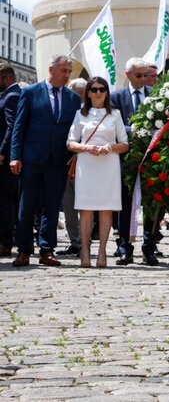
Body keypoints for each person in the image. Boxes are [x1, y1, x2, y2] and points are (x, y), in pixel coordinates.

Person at [10, 54, 82, 267]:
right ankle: (23, 250)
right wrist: (15, 156)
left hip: (58, 160)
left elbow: (75, 130)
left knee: (51, 207)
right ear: (51, 70)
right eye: (64, 71)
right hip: (31, 159)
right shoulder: (30, 93)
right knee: (26, 206)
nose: (67, 75)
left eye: (69, 71)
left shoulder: (72, 98)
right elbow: (19, 126)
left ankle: (46, 250)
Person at [66, 76, 129, 267]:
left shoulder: (115, 115)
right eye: (94, 89)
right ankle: (85, 251)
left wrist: (110, 148)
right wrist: (87, 148)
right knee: (85, 209)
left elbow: (125, 143)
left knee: (105, 209)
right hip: (87, 164)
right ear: (88, 93)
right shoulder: (80, 115)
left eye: (102, 89)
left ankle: (102, 252)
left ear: (107, 92)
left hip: (108, 164)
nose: (98, 93)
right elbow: (70, 142)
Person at [111, 57, 157, 266]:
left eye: (145, 75)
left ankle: (149, 247)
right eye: (138, 75)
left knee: (152, 204)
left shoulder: (155, 97)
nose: (143, 79)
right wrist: (135, 130)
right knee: (125, 204)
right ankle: (124, 248)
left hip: (151, 159)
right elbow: (114, 126)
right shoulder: (116, 98)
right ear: (128, 75)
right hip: (125, 159)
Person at [58, 77, 88, 258]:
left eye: (72, 89)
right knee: (68, 205)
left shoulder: (88, 112)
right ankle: (75, 242)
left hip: (83, 164)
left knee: (85, 205)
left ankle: (84, 242)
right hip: (64, 164)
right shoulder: (67, 108)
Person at [0, 63, 21, 257]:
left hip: (5, 160)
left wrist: (2, 152)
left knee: (4, 200)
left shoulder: (12, 96)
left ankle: (5, 242)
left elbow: (11, 126)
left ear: (6, 78)